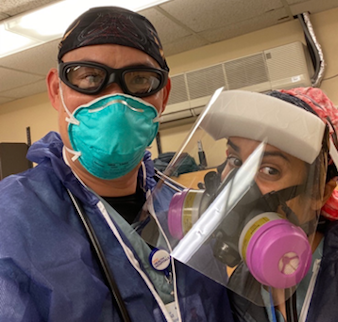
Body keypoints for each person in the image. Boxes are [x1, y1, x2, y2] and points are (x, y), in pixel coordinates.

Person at [0, 6, 234, 322]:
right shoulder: (10, 221)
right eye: (90, 77)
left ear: (163, 96)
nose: (116, 100)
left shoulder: (189, 208)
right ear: (57, 90)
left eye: (139, 80)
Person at [150, 87, 338, 322]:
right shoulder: (242, 281)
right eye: (235, 161)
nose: (238, 187)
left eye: (270, 170)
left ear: (320, 192)